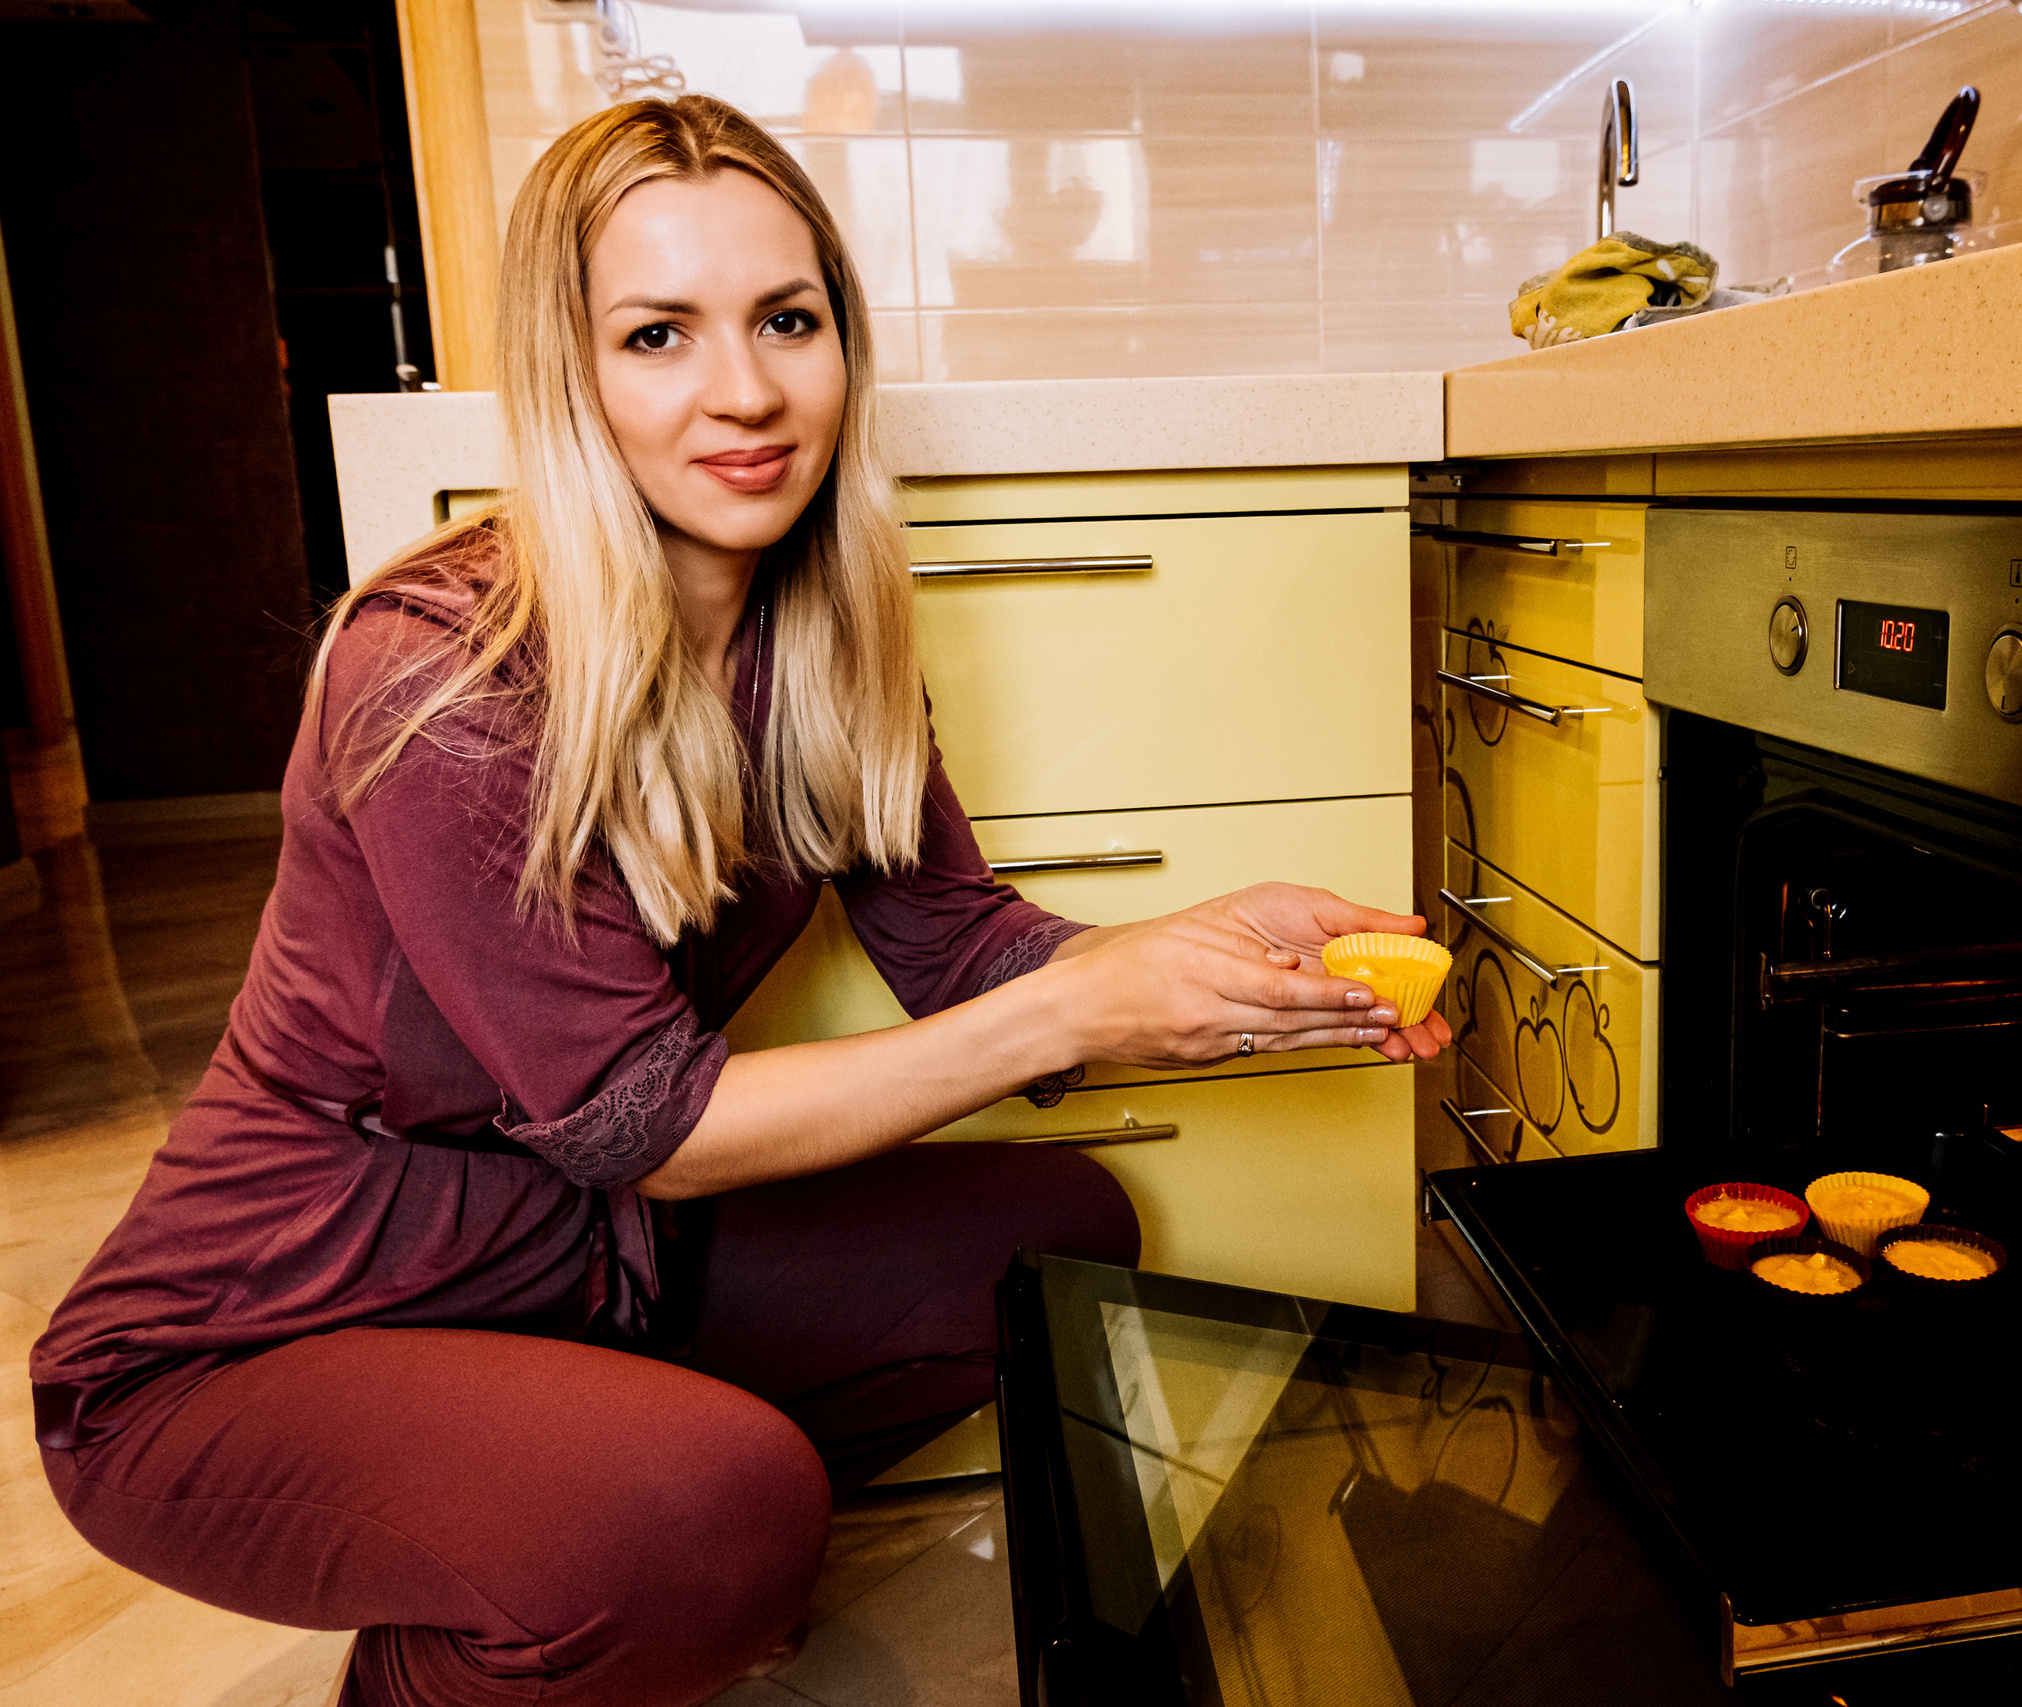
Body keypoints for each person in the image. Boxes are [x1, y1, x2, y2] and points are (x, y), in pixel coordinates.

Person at [29, 94, 1448, 1707]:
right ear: (576, 375)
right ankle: (596, 1578)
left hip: (583, 1266)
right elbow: (641, 1119)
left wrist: (1191, 954)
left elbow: (959, 947)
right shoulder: (438, 673)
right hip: (261, 1330)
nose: (749, 392)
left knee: (1055, 1230)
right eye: (658, 335)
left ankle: (603, 1551)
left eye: (789, 320)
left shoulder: (822, 646)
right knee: (720, 1518)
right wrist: (1072, 1008)